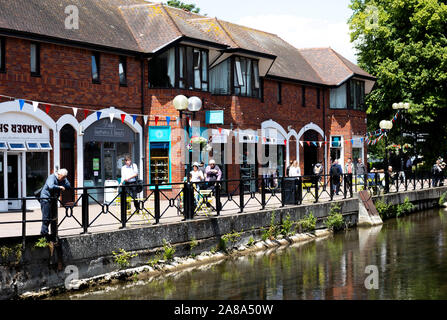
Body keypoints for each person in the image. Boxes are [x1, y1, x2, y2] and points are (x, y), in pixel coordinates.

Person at [40, 168, 71, 238]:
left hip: (53, 199)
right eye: (62, 177)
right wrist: (60, 187)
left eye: (64, 177)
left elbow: (68, 185)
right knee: (46, 217)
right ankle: (44, 234)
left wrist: (63, 186)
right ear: (59, 174)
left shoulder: (63, 178)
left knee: (53, 216)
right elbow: (50, 186)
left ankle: (53, 234)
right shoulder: (52, 177)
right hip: (45, 198)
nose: (63, 179)